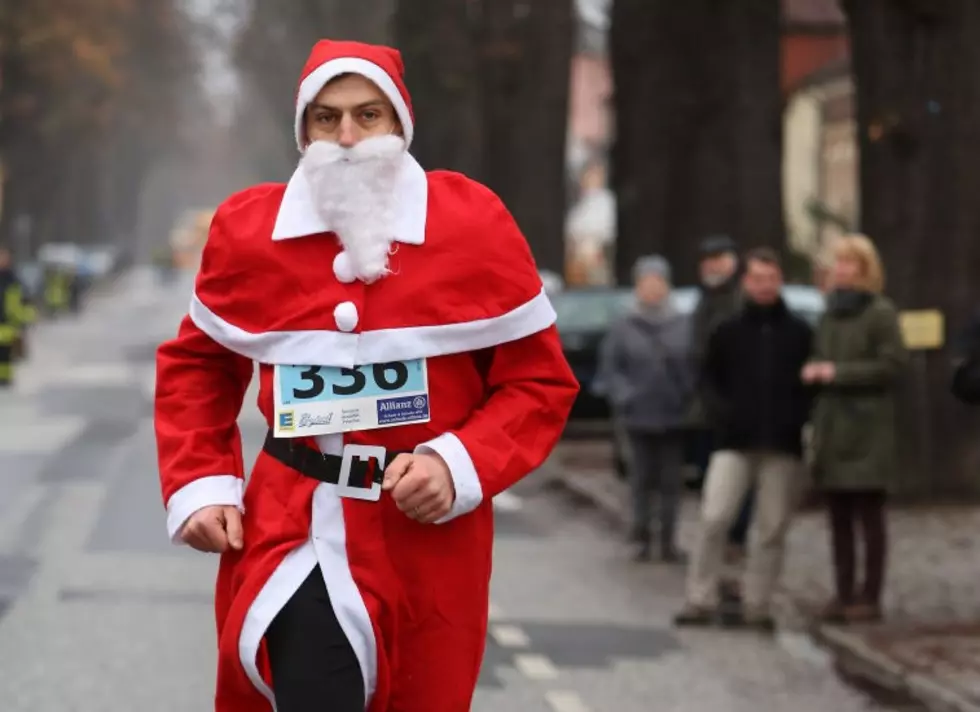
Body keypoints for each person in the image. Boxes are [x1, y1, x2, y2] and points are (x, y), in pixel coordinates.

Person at [154, 40, 579, 712]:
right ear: (304, 130)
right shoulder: (249, 230)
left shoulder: (471, 225)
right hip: (289, 528)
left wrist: (457, 463)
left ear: (399, 123)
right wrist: (201, 483)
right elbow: (198, 366)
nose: (347, 137)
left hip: (425, 539)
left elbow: (539, 385)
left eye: (367, 115)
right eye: (326, 119)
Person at [674, 248, 813, 630]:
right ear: (746, 283)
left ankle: (758, 604)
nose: (765, 286)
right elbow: (708, 379)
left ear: (779, 281)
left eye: (771, 278)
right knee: (714, 517)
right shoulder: (728, 330)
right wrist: (724, 414)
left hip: (782, 443)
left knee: (771, 528)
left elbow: (809, 385)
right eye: (758, 279)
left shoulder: (799, 332)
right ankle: (698, 597)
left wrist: (798, 418)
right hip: (733, 440)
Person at [806, 234, 907, 623]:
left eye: (851, 264)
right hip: (833, 426)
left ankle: (870, 595)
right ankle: (843, 591)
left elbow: (893, 365)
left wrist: (838, 373)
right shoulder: (828, 314)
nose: (843, 270)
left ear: (865, 270)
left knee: (869, 517)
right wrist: (815, 369)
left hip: (868, 430)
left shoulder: (880, 312)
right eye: (838, 263)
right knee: (838, 518)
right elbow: (821, 354)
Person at [597, 255, 693, 563]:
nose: (652, 289)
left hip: (673, 414)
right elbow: (610, 369)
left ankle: (668, 540)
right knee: (640, 479)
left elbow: (694, 365)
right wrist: (625, 395)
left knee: (670, 482)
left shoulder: (683, 324)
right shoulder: (624, 325)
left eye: (658, 282)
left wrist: (686, 394)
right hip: (637, 415)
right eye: (646, 283)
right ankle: (640, 536)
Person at [0, 247, 33, 387]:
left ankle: (5, 379)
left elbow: (24, 301)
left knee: (5, 355)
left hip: (9, 324)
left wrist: (24, 322)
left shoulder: (14, 280)